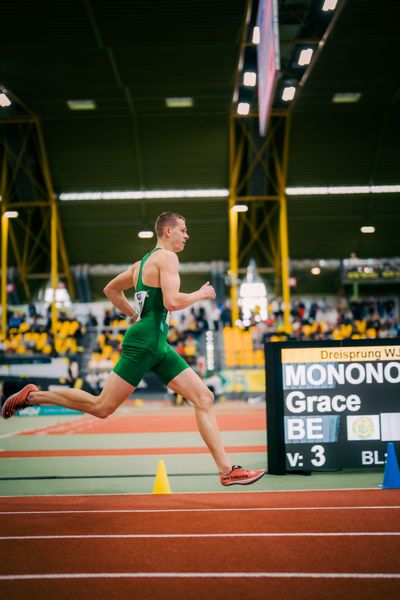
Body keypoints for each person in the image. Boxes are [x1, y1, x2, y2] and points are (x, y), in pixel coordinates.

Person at [2, 212, 265, 487]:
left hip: (156, 341)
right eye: (183, 230)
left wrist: (133, 314)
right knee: (101, 406)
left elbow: (110, 290)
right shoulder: (167, 258)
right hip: (146, 341)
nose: (187, 235)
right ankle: (33, 397)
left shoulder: (140, 265)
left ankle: (226, 469)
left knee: (204, 398)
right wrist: (200, 294)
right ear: (166, 231)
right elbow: (172, 301)